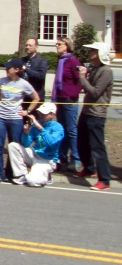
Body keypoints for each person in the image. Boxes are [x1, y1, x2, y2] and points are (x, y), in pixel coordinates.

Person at [0, 59, 40, 183]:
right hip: (0, 116)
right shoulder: (2, 81)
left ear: (16, 70)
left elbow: (36, 98)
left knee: (14, 146)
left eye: (9, 68)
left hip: (15, 119)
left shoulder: (24, 84)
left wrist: (27, 112)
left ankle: (11, 172)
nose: (6, 70)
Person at [75, 42, 113, 191]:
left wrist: (83, 78)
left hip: (97, 114)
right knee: (82, 143)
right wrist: (86, 75)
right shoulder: (94, 69)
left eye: (92, 50)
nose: (89, 52)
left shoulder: (106, 71)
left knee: (97, 147)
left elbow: (95, 92)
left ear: (100, 54)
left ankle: (105, 179)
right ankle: (89, 168)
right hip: (86, 111)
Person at [8, 103, 64, 187]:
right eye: (40, 113)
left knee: (32, 182)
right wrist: (26, 133)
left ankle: (46, 176)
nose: (41, 115)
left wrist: (40, 128)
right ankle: (22, 174)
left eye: (44, 114)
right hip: (34, 154)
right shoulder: (37, 123)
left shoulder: (58, 127)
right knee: (12, 146)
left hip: (47, 160)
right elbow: (26, 144)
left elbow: (51, 143)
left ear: (51, 114)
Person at [51, 37, 82, 172]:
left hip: (69, 101)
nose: (57, 46)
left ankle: (75, 159)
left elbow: (80, 80)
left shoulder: (72, 61)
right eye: (56, 44)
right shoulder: (61, 61)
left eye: (59, 44)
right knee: (61, 130)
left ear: (67, 46)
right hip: (60, 99)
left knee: (71, 130)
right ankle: (62, 158)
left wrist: (72, 95)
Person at [21, 38, 48, 103]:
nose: (27, 47)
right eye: (26, 45)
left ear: (36, 47)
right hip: (23, 96)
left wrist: (26, 69)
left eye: (30, 45)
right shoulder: (22, 60)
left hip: (36, 95)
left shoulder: (41, 61)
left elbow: (41, 76)